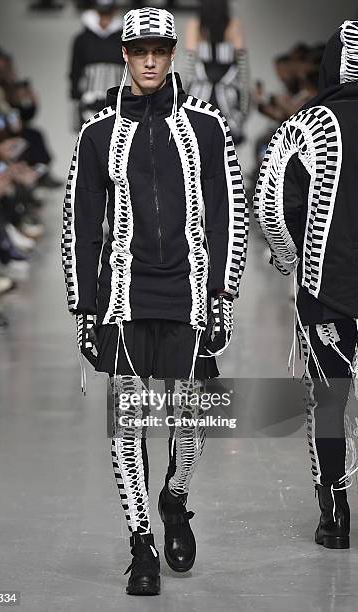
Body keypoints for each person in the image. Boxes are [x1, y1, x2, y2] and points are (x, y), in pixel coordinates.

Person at [62, 6, 248, 595]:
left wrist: (225, 292)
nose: (148, 59)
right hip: (124, 297)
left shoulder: (208, 126)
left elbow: (228, 213)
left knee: (190, 420)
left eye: (159, 50)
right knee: (128, 422)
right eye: (138, 49)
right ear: (125, 53)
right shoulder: (96, 134)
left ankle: (175, 497)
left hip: (190, 293)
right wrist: (83, 307)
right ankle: (141, 545)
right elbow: (81, 223)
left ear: (172, 55)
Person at [253, 21, 358, 550]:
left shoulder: (309, 124)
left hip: (328, 288)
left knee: (330, 399)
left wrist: (292, 259)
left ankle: (334, 514)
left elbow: (270, 204)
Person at [182, 0, 249, 144]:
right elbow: (242, 71)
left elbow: (189, 69)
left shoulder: (195, 25)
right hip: (228, 100)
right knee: (225, 152)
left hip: (199, 98)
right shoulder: (233, 25)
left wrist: (183, 102)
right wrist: (243, 110)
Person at [69, 0, 124, 131]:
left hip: (117, 101)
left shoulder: (123, 38)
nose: (105, 18)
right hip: (88, 101)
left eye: (108, 12)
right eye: (102, 12)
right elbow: (75, 71)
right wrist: (76, 97)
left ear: (114, 12)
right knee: (90, 140)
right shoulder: (82, 39)